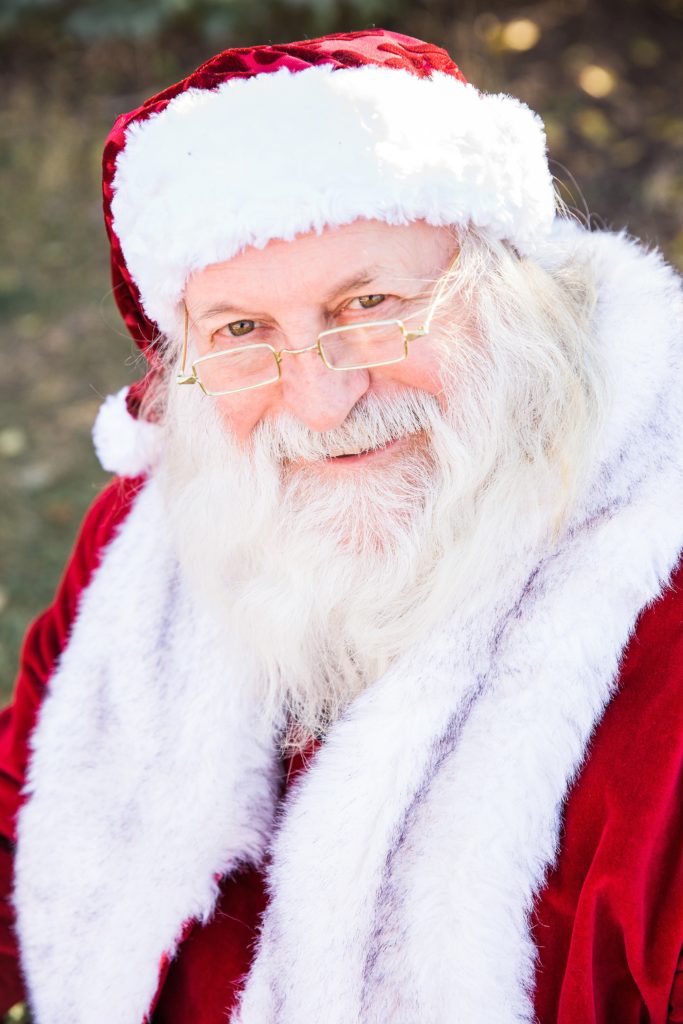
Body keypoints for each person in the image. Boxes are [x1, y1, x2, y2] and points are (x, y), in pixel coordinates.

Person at [0, 27, 682, 1024]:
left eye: (370, 304)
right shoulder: (138, 546)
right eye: (241, 331)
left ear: (509, 295)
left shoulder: (654, 628)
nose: (319, 401)